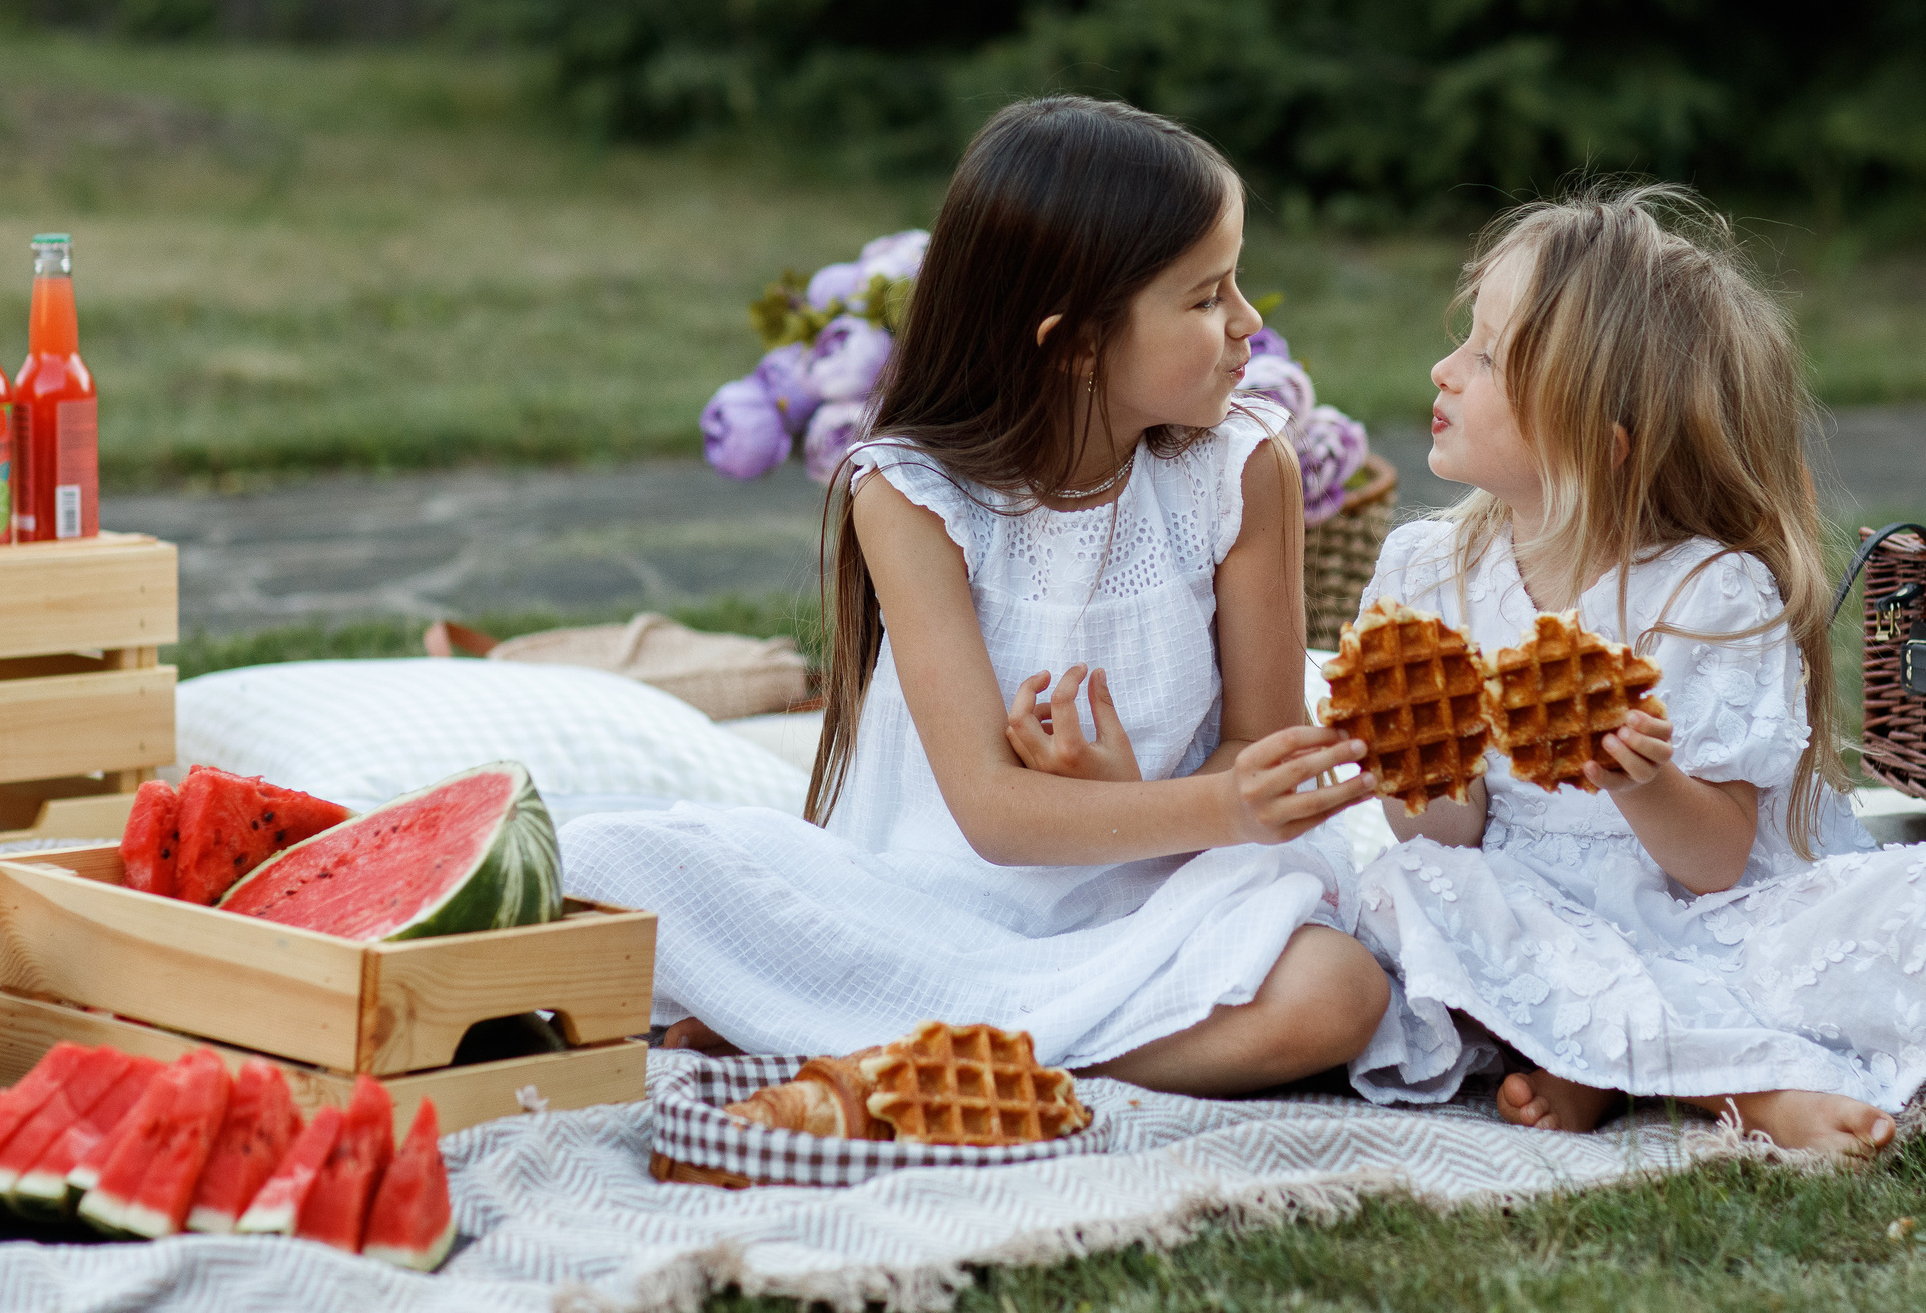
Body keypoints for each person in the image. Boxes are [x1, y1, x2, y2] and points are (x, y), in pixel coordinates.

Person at [560, 96, 1389, 1095]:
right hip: (928, 906)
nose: (1249, 323)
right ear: (1075, 341)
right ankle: (965, 1037)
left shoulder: (1246, 470)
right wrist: (1217, 802)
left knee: (1336, 993)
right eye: (1208, 296)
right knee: (600, 855)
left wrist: (1139, 798)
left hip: (1159, 897)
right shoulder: (911, 496)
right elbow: (991, 813)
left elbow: (1260, 749)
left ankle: (905, 1048)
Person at [1343, 185, 1926, 1158]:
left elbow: (1710, 869)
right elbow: (1445, 836)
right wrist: (1413, 762)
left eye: (1487, 357)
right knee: (1408, 891)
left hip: (1709, 919)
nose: (1442, 370)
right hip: (1535, 911)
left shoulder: (1710, 596)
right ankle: (1725, 1080)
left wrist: (1643, 779)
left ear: (1599, 441)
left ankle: (1641, 1071)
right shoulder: (1424, 572)